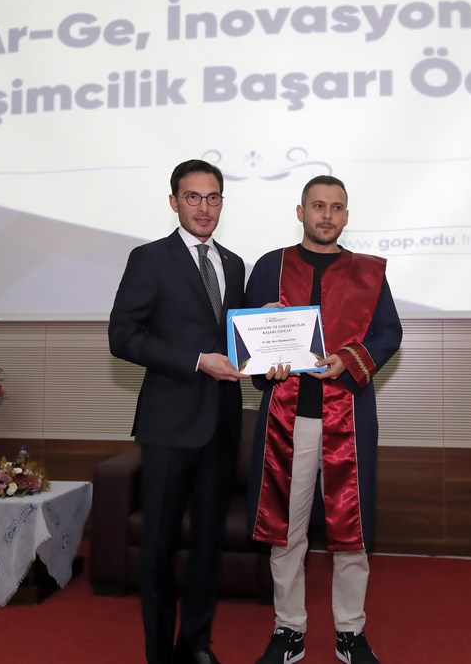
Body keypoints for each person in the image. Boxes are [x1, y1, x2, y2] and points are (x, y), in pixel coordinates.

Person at [245, 175, 402, 664]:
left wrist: (349, 358)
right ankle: (288, 628)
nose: (327, 215)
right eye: (318, 206)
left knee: (350, 532)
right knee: (286, 531)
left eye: (336, 207)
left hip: (347, 419)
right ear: (301, 212)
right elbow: (245, 336)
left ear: (346, 216)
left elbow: (388, 333)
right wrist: (260, 341)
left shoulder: (368, 272)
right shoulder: (270, 266)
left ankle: (350, 631)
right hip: (285, 420)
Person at [108, 159, 245, 664]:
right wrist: (195, 360)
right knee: (159, 549)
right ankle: (159, 654)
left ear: (222, 203)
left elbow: (234, 335)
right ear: (174, 202)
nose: (203, 208)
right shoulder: (149, 259)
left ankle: (196, 645)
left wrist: (266, 325)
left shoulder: (234, 264)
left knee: (208, 547)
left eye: (212, 198)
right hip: (168, 426)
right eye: (193, 197)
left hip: (221, 425)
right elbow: (122, 336)